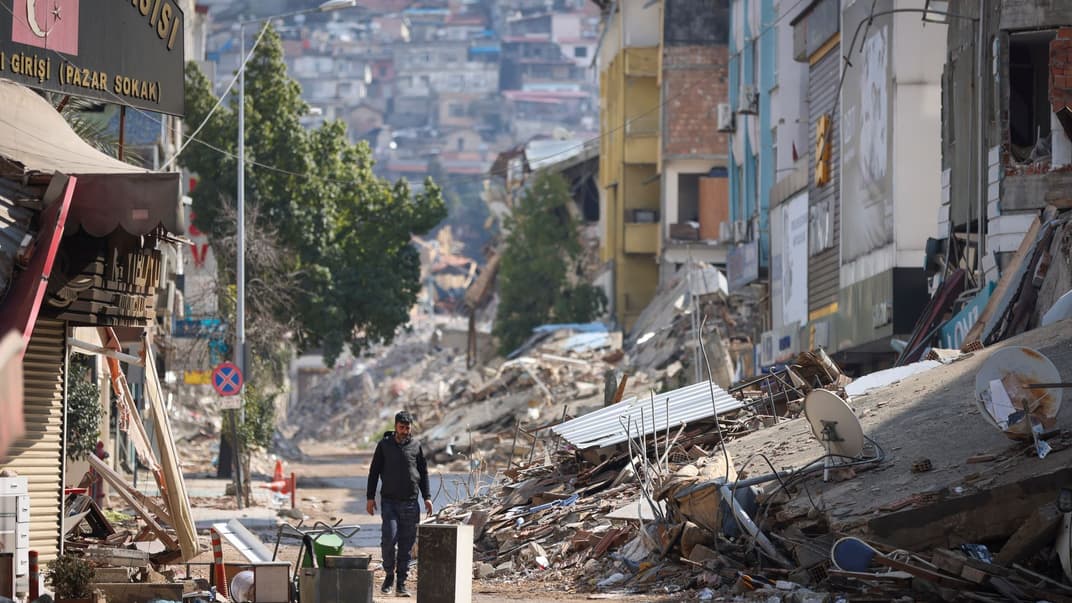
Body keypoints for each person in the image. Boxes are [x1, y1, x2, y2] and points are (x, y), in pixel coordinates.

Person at [366, 411, 433, 597]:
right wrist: (370, 498)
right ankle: (389, 574)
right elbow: (374, 472)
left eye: (407, 428)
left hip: (411, 504)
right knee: (389, 538)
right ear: (395, 426)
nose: (404, 431)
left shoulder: (416, 446)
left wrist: (427, 497)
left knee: (407, 545)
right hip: (390, 503)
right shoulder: (384, 446)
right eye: (401, 427)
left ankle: (401, 583)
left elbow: (423, 472)